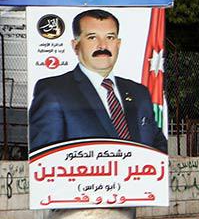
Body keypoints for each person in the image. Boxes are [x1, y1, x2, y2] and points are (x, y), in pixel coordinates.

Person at [28, 8, 166, 152]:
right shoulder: (53, 91)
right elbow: (44, 155)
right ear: (75, 46)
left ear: (118, 44)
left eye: (110, 37)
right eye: (92, 37)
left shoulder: (139, 92)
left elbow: (158, 145)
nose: (103, 46)